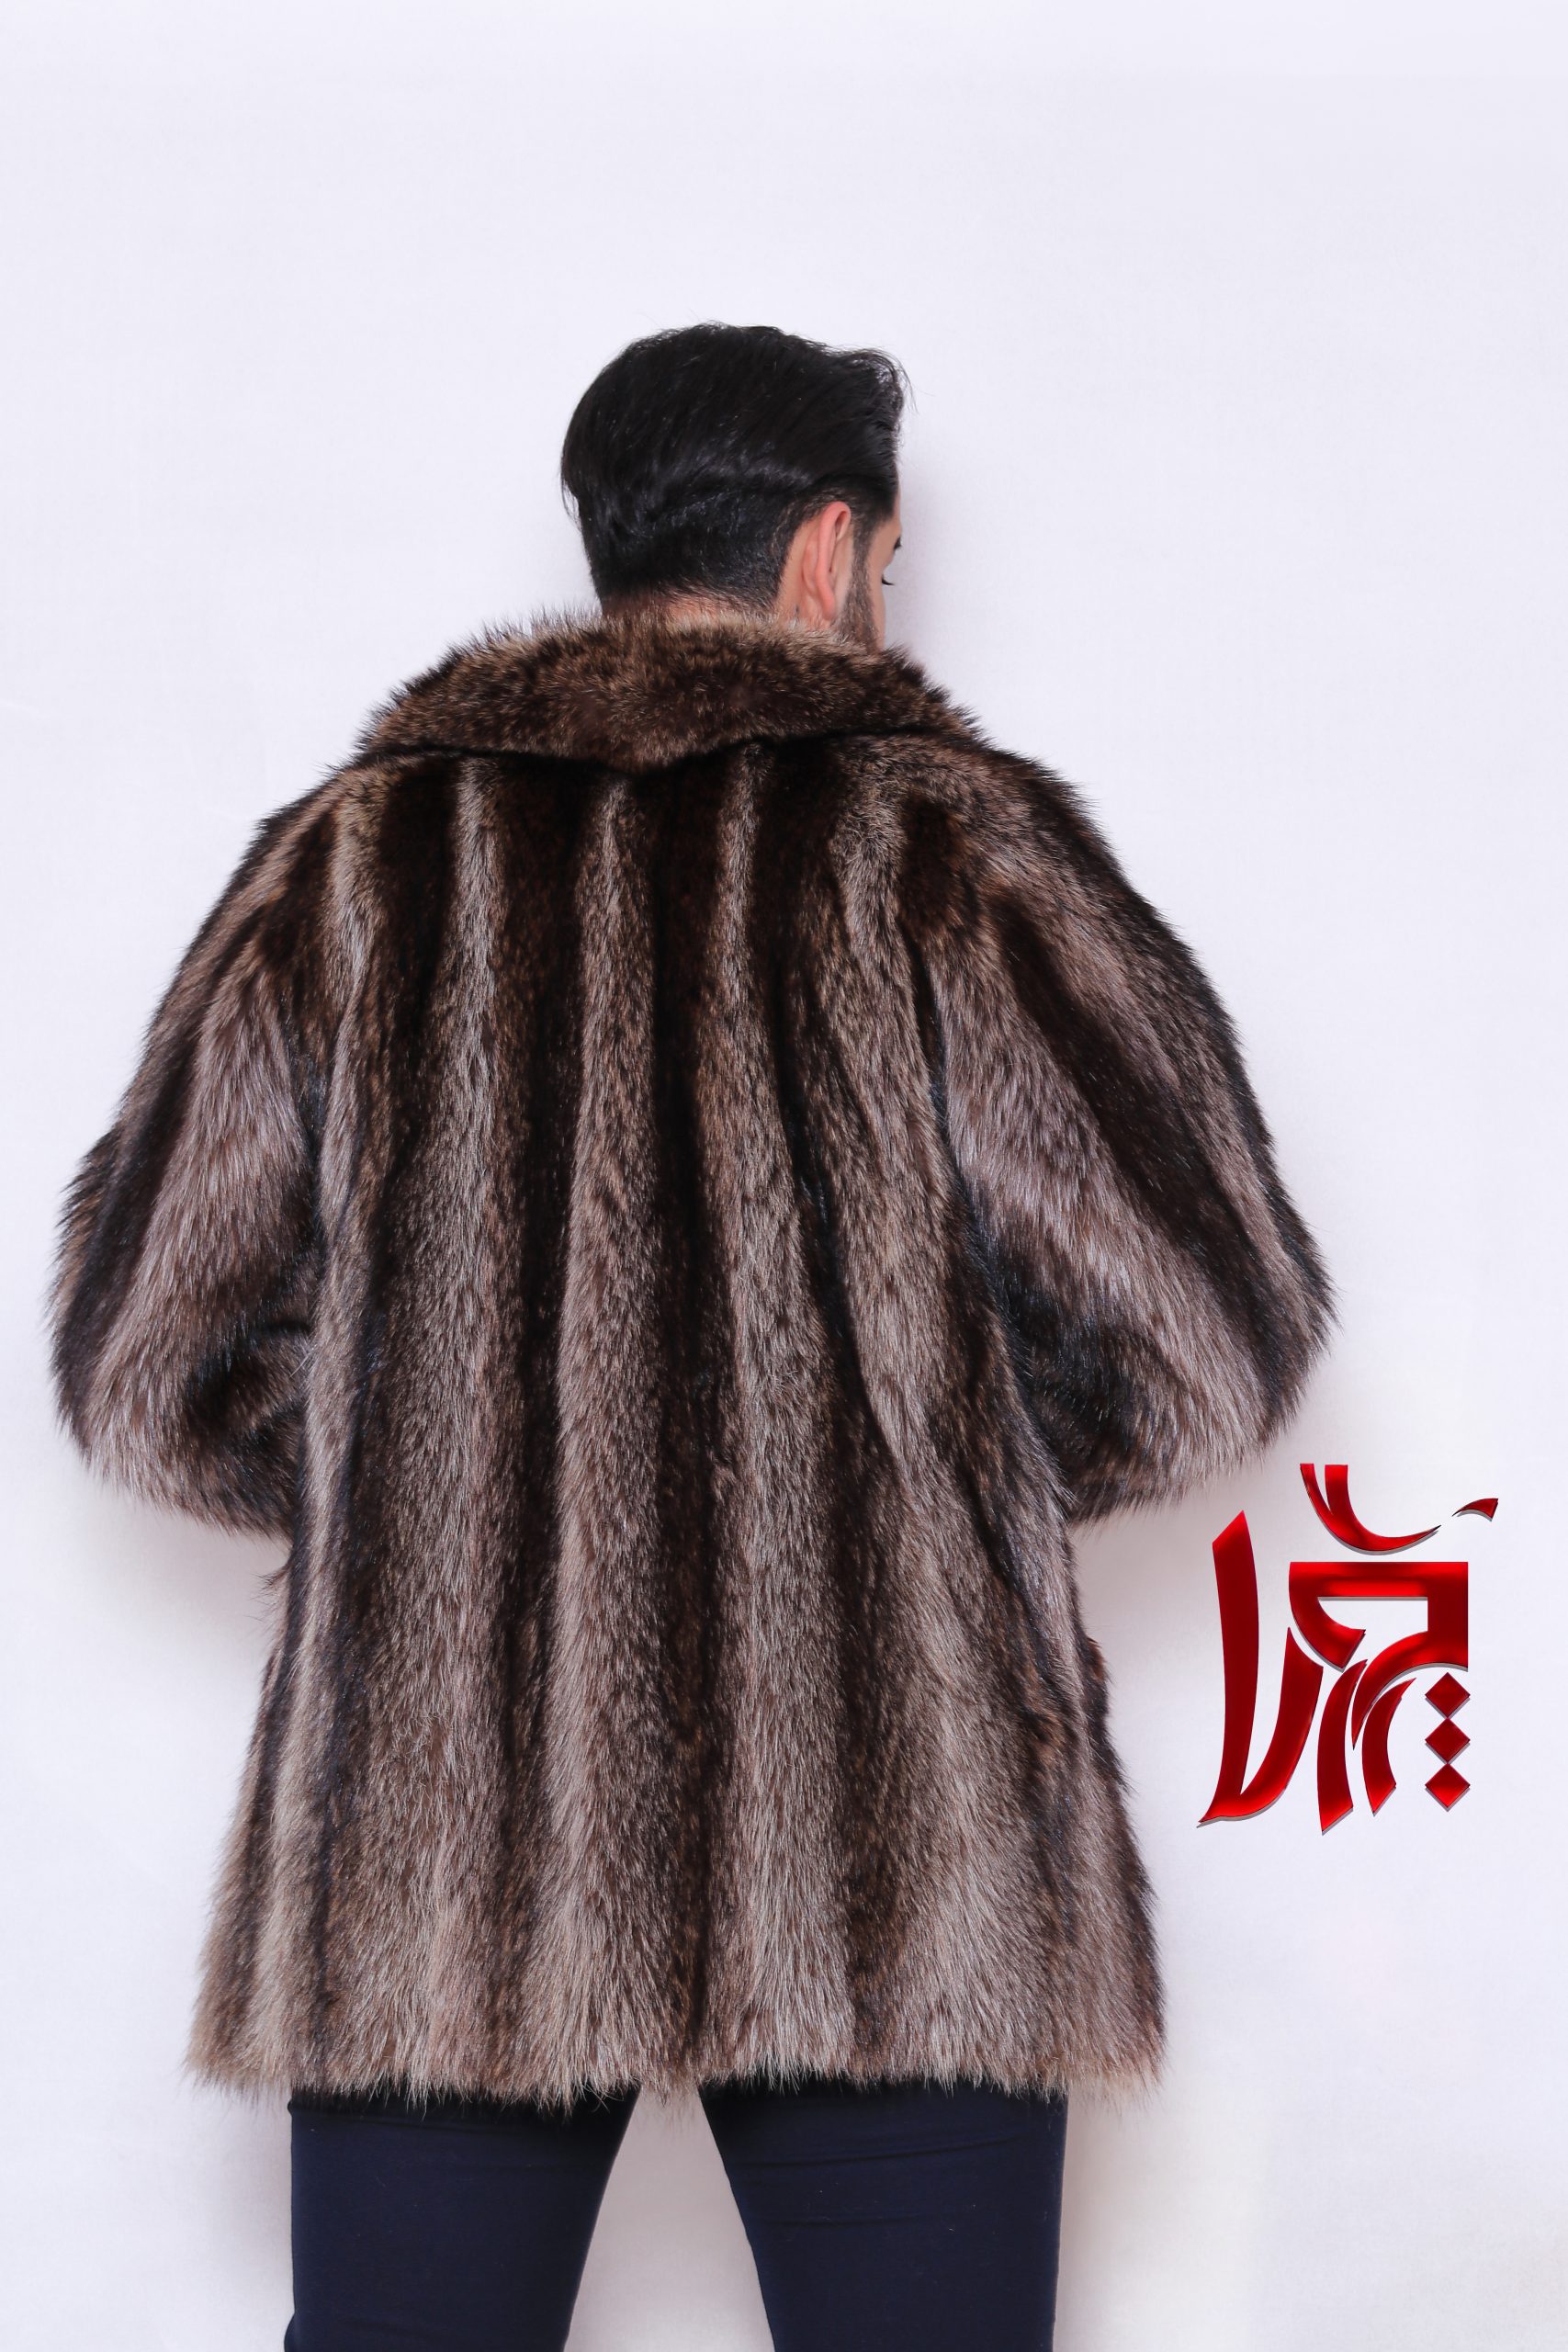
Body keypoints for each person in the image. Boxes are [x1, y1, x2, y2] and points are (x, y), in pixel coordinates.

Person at [48, 322, 1337, 2350]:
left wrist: (446, 1468)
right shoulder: (951, 846)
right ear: (825, 549)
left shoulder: (361, 865)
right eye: (887, 564)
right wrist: (909, 1466)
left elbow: (146, 1362)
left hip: (447, 1836)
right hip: (895, 1838)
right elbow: (1209, 1336)